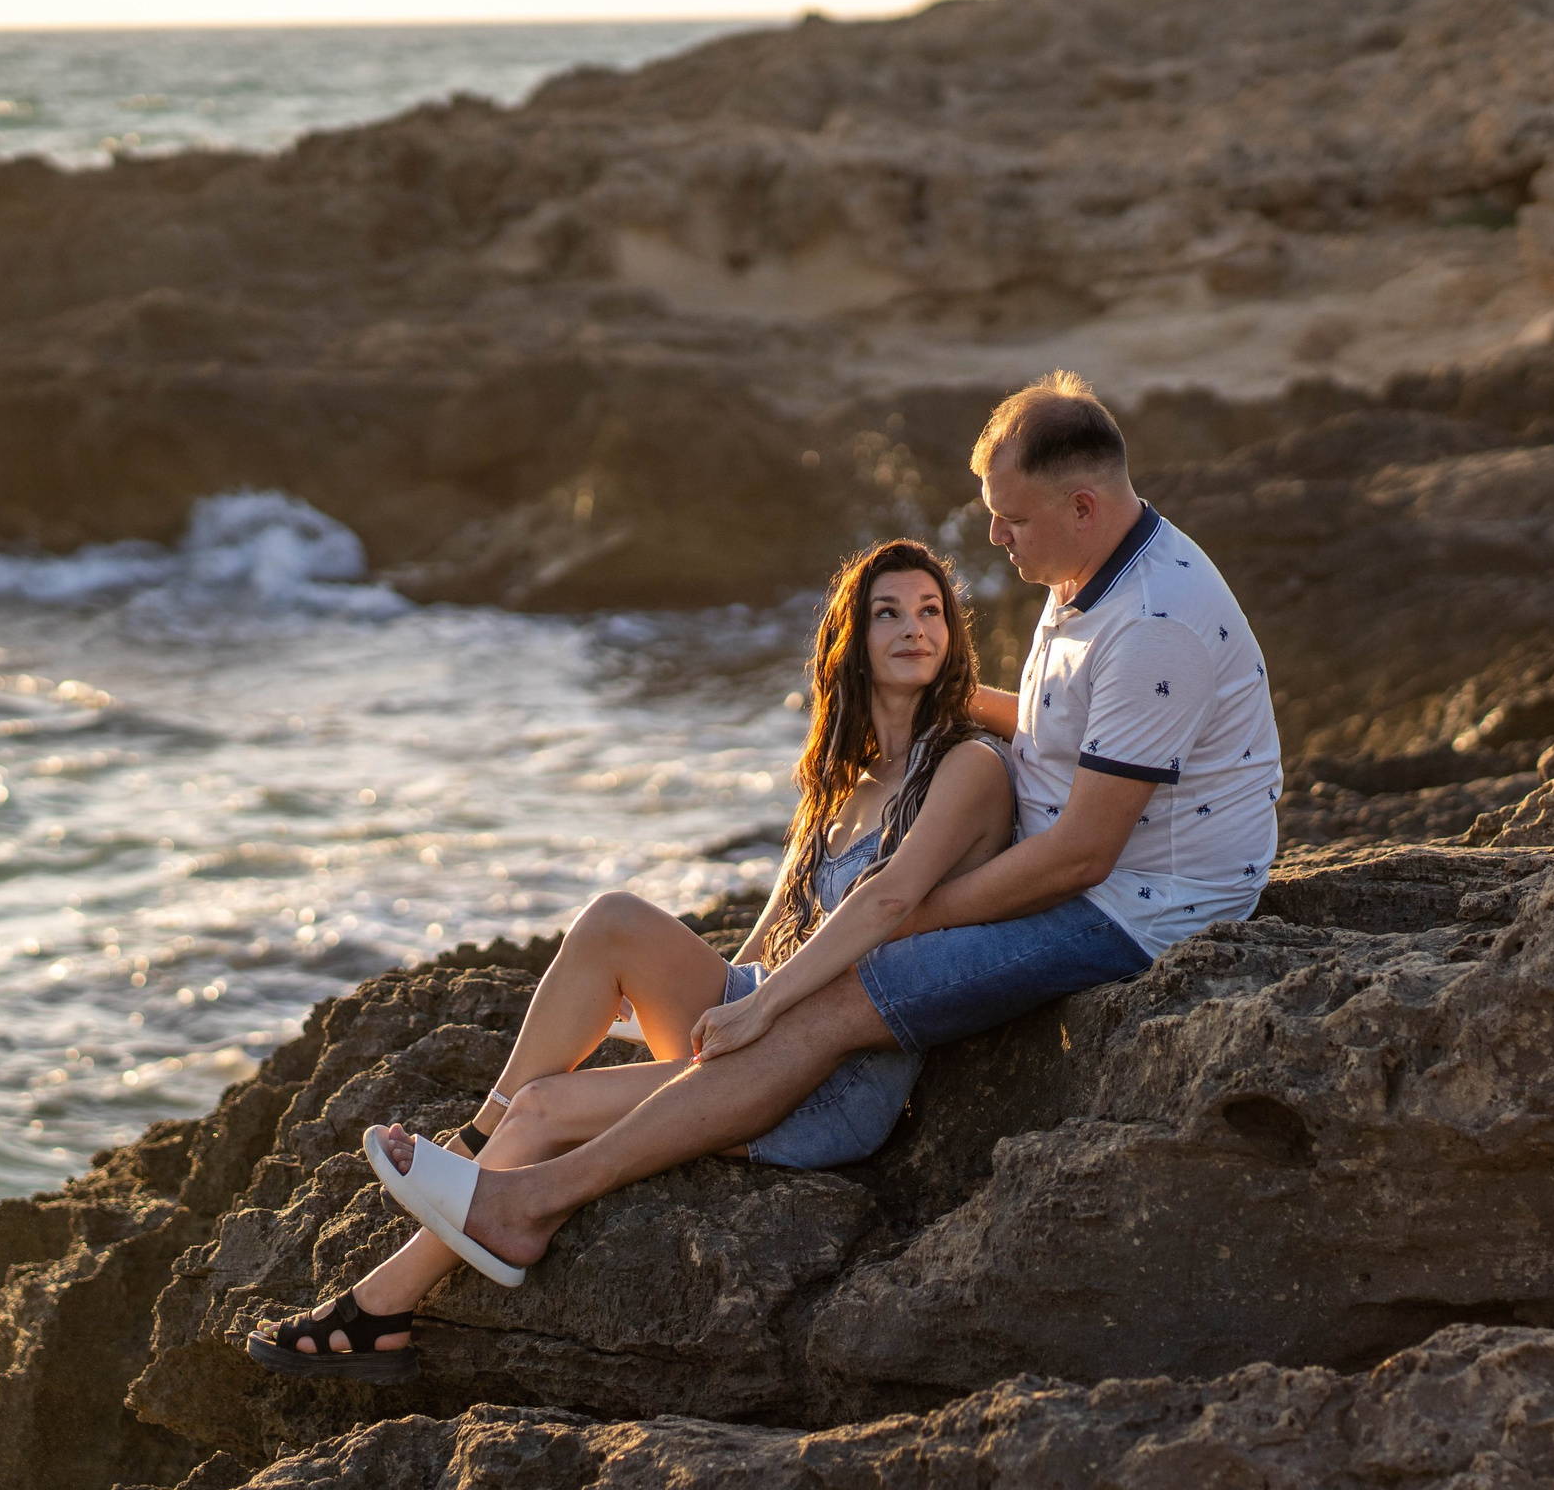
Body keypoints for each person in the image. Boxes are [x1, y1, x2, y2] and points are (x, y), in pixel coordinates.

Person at [346, 370, 1279, 1331]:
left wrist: (911, 912)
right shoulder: (1090, 566)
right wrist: (928, 694)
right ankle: (497, 1148)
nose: (996, 538)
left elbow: (1083, 855)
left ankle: (527, 1201)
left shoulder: (1156, 622)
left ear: (1083, 505)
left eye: (1013, 519)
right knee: (797, 957)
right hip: (1097, 866)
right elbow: (1058, 725)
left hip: (1143, 905)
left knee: (841, 987)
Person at [248, 538, 1016, 1379]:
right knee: (614, 918)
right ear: (854, 642)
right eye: (889, 613)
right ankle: (478, 1136)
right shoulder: (842, 782)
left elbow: (889, 900)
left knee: (548, 1109)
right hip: (761, 1022)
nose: (914, 627)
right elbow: (764, 941)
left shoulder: (969, 766)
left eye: (931, 611)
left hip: (830, 1071)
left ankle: (376, 1308)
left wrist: (756, 1009)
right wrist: (719, 1006)